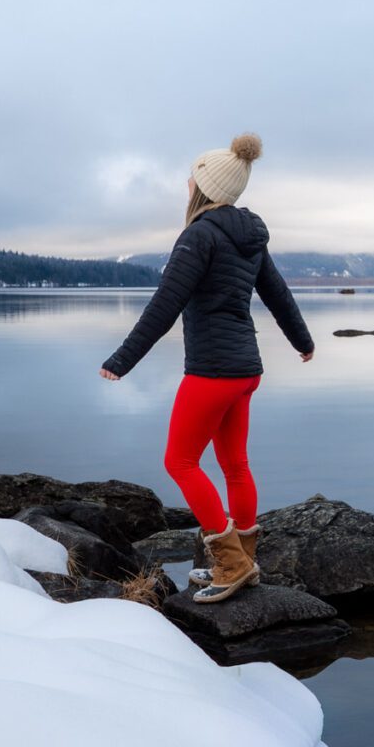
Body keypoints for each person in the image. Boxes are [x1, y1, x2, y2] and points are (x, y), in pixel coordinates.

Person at [99, 133, 314, 603]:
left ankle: (231, 562)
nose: (186, 182)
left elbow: (165, 305)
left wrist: (122, 360)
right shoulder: (250, 234)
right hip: (246, 371)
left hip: (213, 372)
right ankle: (245, 559)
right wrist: (304, 342)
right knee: (235, 464)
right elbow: (277, 293)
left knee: (179, 461)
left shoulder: (198, 235)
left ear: (204, 186)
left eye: (192, 177)